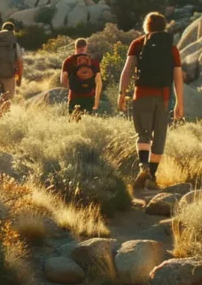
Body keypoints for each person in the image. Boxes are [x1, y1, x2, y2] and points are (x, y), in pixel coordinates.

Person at [118, 12, 184, 191]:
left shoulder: (138, 44)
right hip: (163, 97)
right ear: (164, 27)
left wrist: (121, 93)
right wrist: (179, 103)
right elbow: (177, 77)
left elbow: (127, 70)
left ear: (147, 26)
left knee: (143, 134)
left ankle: (143, 166)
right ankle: (152, 176)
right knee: (160, 137)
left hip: (141, 94)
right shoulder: (171, 48)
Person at [60, 38, 102, 122]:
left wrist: (72, 88)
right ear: (86, 48)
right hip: (89, 97)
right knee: (87, 123)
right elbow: (99, 83)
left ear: (75, 48)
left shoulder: (68, 61)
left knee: (73, 122)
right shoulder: (94, 62)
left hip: (74, 97)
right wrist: (96, 102)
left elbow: (63, 80)